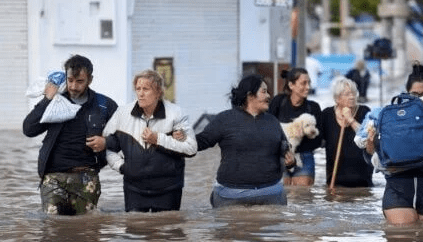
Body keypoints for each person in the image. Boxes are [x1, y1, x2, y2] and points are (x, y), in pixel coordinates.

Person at [23, 55, 118, 215]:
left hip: (87, 176)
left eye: (79, 81)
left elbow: (124, 138)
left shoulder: (104, 105)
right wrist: (47, 99)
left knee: (86, 230)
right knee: (53, 227)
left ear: (90, 80)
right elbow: (29, 129)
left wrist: (107, 142)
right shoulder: (55, 103)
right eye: (70, 80)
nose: (73, 86)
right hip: (53, 177)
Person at [365, 63, 423, 225]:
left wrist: (417, 160)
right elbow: (375, 158)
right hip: (398, 188)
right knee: (401, 240)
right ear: (406, 93)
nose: (420, 99)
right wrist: (369, 150)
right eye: (414, 94)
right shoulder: (393, 115)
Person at [102, 70, 197, 212]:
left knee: (168, 232)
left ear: (158, 92)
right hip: (134, 189)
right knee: (135, 230)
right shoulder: (122, 113)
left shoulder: (176, 113)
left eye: (145, 89)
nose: (140, 93)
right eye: (138, 89)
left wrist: (158, 139)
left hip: (169, 189)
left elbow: (191, 148)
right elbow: (106, 145)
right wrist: (122, 167)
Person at [196, 74, 295, 208]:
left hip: (271, 194)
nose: (269, 96)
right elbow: (200, 142)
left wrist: (290, 162)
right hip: (230, 195)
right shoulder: (224, 119)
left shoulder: (272, 121)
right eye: (264, 91)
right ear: (250, 95)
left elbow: (285, 151)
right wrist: (174, 139)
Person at [269, 68, 322, 186]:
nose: (308, 87)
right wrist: (285, 151)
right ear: (291, 85)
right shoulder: (278, 102)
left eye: (309, 83)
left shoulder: (313, 107)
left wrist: (303, 136)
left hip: (304, 157)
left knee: (302, 197)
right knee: (282, 193)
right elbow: (267, 129)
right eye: (303, 83)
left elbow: (319, 140)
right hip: (279, 156)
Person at [319, 77, 373, 188]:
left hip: (362, 182)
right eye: (347, 94)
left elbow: (366, 137)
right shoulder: (327, 114)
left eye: (354, 93)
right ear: (337, 99)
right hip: (335, 181)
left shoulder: (364, 111)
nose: (352, 97)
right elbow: (319, 142)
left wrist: (350, 120)